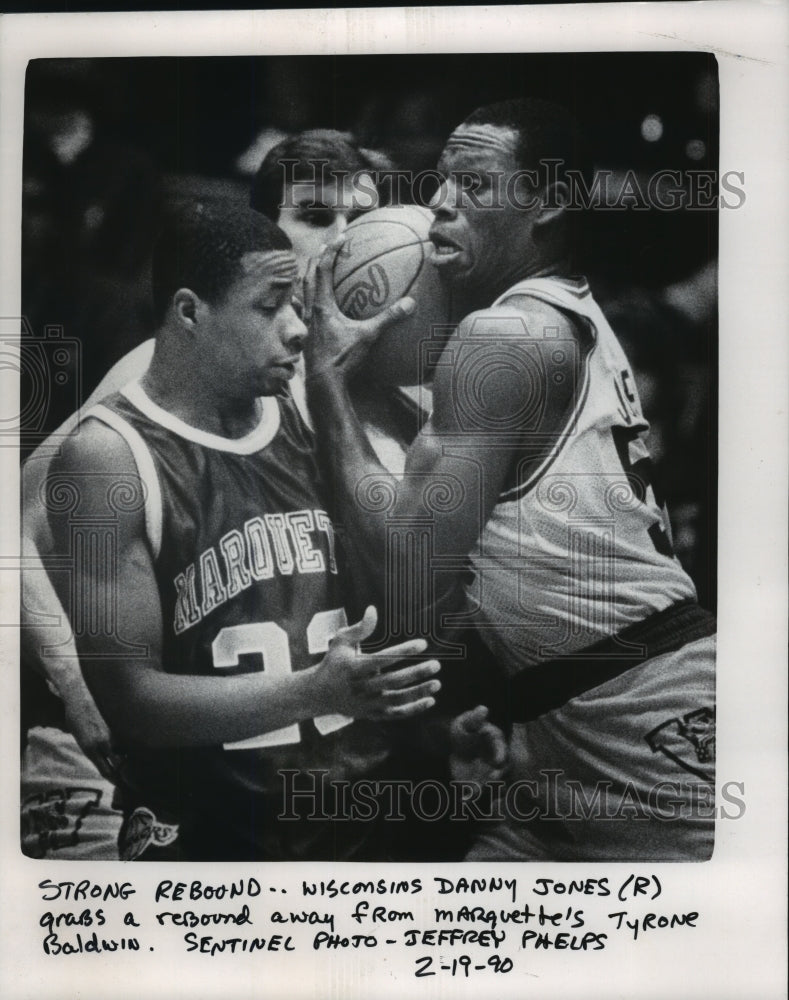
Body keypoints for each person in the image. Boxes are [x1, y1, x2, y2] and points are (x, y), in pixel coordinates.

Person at [303, 98, 716, 861]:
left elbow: (408, 564)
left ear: (548, 201)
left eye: (474, 184)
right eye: (439, 180)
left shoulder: (505, 336)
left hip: (640, 711)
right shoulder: (562, 311)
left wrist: (327, 381)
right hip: (556, 717)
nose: (438, 201)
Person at [40, 199, 441, 862]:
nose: (296, 330)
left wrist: (440, 735)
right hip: (220, 843)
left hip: (365, 828)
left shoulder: (314, 407)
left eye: (298, 306)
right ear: (190, 312)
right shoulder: (109, 456)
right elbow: (131, 701)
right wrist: (313, 691)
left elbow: (404, 571)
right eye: (270, 305)